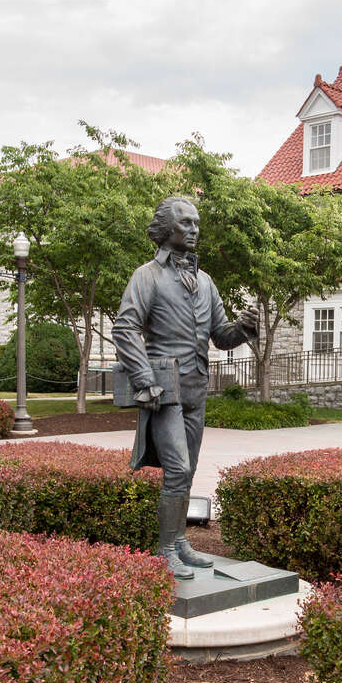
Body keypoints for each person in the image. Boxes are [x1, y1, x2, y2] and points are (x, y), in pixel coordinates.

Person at [113, 196, 258, 579]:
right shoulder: (147, 276)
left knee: (188, 470)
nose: (194, 229)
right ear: (167, 229)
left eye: (196, 223)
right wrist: (144, 380)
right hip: (164, 390)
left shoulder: (206, 282)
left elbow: (220, 335)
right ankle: (164, 550)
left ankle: (179, 543)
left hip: (197, 387)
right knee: (176, 467)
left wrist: (243, 329)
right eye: (186, 223)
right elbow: (124, 328)